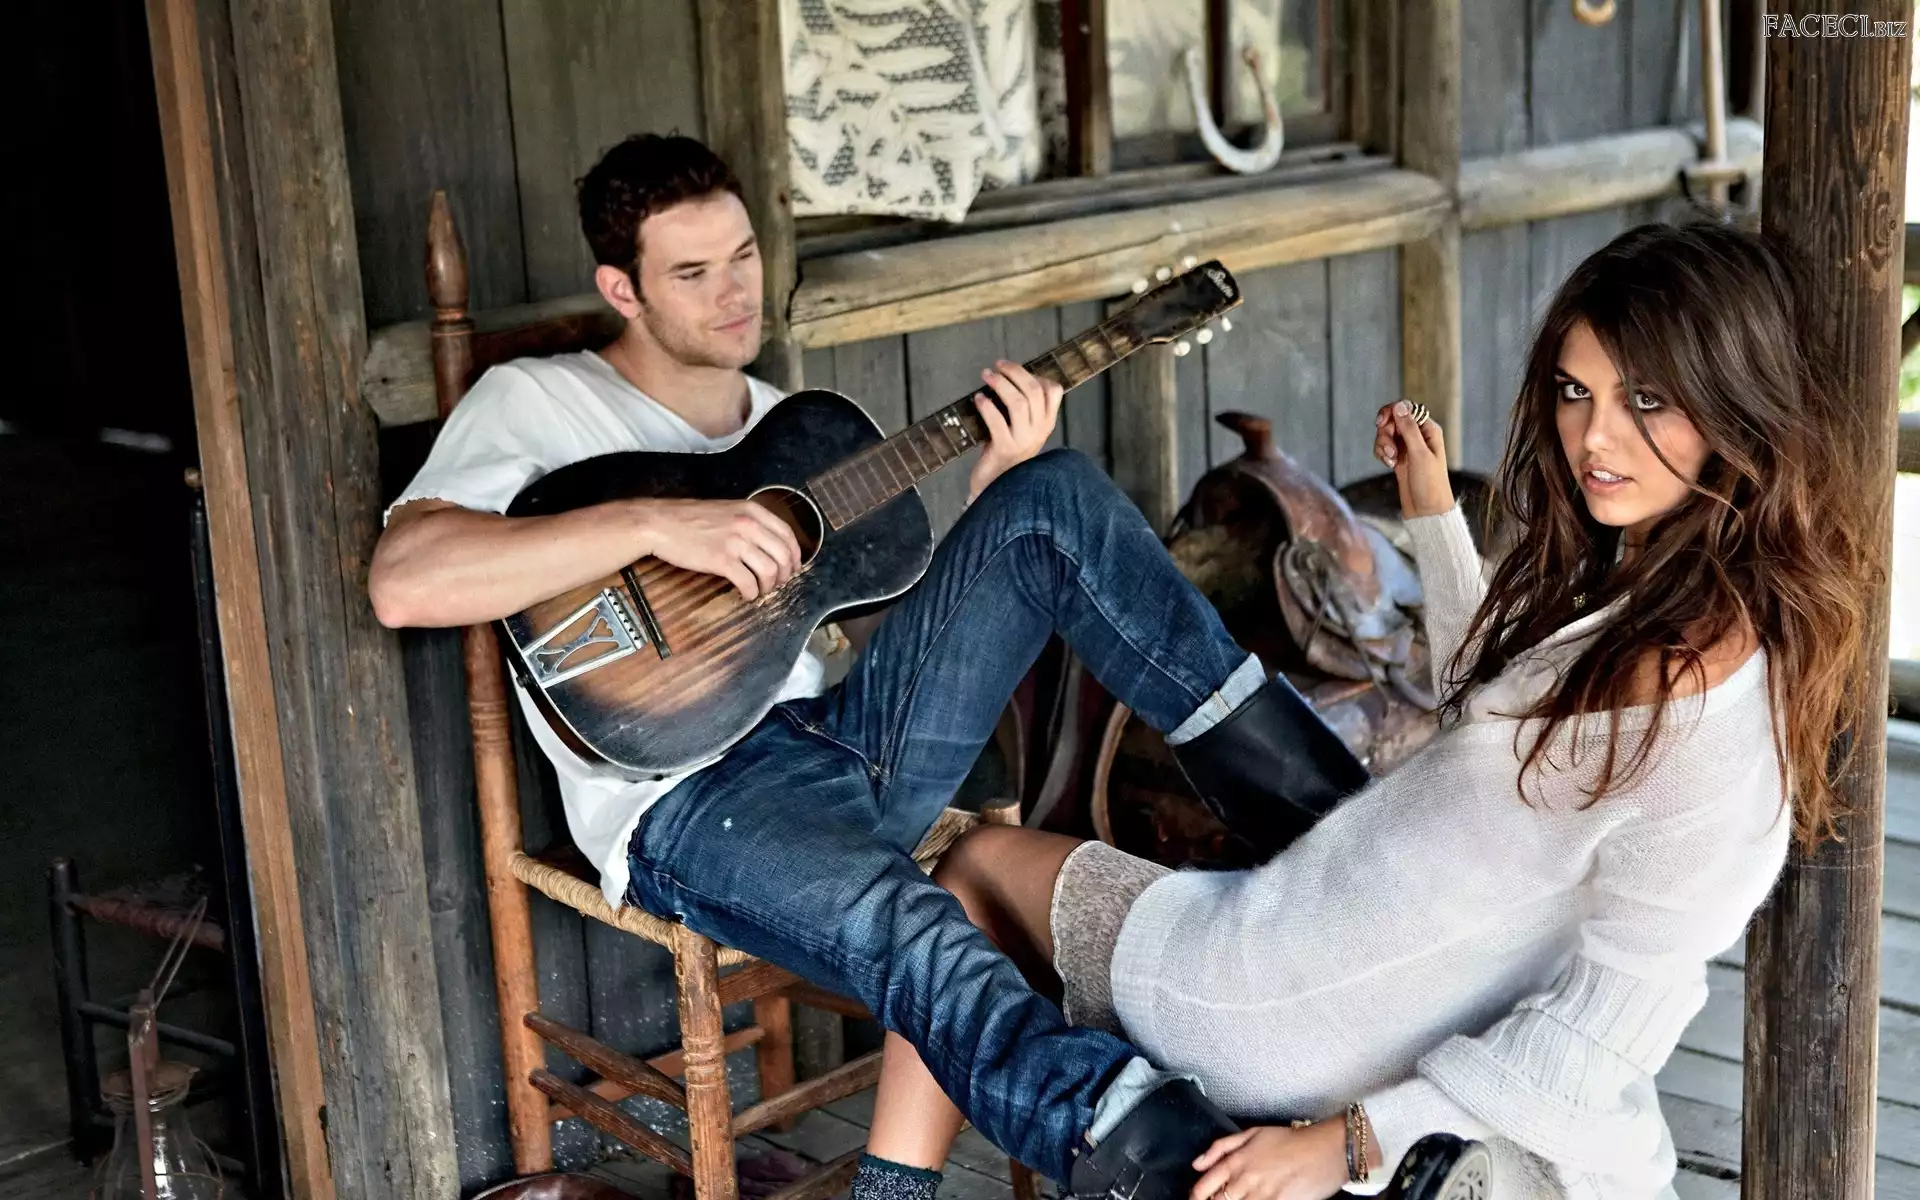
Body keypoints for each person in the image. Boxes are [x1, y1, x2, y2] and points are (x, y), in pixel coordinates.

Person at [368, 132, 1473, 1193]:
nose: (735, 292)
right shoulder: (540, 404)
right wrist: (656, 522)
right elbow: (405, 580)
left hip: (843, 740)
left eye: (743, 255)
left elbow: (876, 631)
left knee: (1052, 496)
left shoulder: (788, 431)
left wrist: (997, 488)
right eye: (692, 274)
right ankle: (1177, 1170)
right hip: (690, 803)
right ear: (624, 290)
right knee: (920, 930)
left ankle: (1349, 843)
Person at [853, 217, 1870, 1200]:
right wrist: (1431, 510)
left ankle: (916, 1186)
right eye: (1576, 391)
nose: (1595, 436)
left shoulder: (1703, 717)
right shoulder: (1673, 606)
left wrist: (1340, 1145)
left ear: (1741, 404)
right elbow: (1497, 721)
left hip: (1276, 1001)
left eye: (1646, 400)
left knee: (970, 869)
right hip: (1356, 952)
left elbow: (1605, 1034)